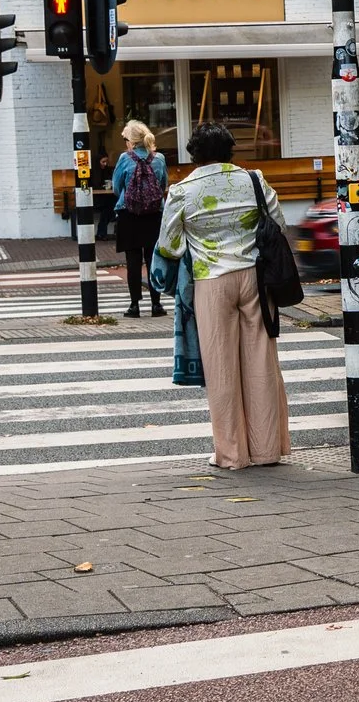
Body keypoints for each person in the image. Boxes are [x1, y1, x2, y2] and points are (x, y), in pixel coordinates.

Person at [154, 122, 290, 468]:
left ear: (193, 154)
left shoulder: (182, 191)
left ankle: (231, 454)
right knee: (261, 362)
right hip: (255, 279)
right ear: (231, 150)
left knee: (221, 368)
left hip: (211, 282)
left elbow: (169, 246)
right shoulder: (254, 180)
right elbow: (279, 223)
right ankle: (266, 450)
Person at [110, 121, 169, 318]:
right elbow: (163, 185)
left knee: (133, 261)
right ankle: (156, 305)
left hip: (130, 215)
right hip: (153, 215)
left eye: (125, 139)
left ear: (132, 141)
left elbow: (117, 187)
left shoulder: (125, 159)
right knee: (153, 260)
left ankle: (134, 305)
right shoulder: (159, 159)